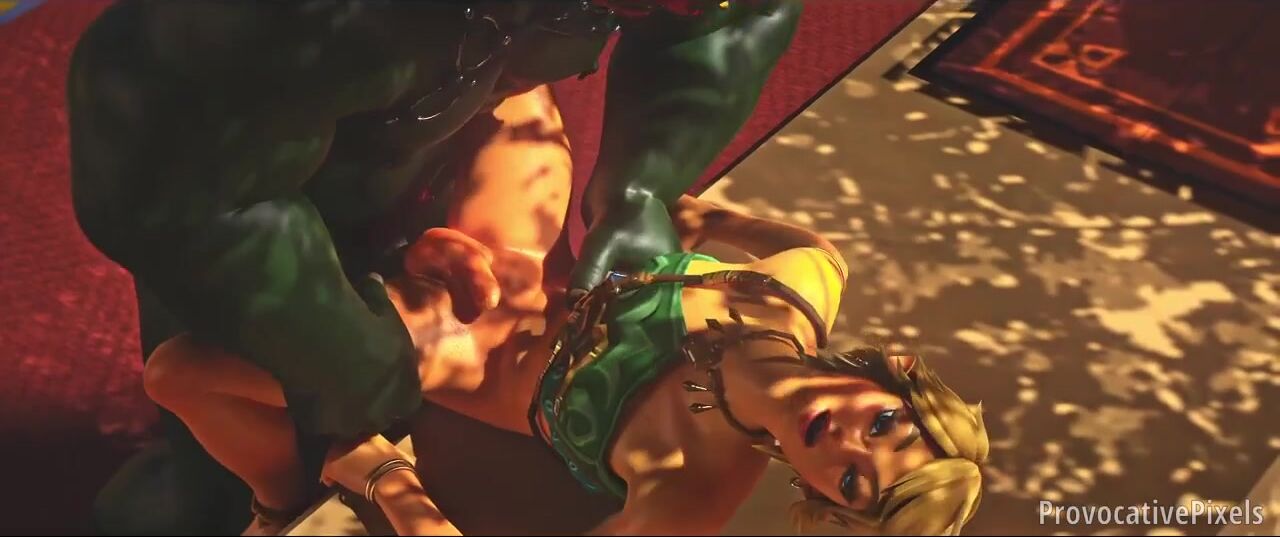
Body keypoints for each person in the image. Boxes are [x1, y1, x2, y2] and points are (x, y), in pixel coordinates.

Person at [68, 0, 804, 532]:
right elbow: (174, 189)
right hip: (236, 194)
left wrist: (643, 178)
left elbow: (735, 17)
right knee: (219, 436)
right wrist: (350, 364)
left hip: (445, 177)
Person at [142, 82, 990, 536]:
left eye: (854, 481)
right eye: (885, 424)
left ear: (824, 498)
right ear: (895, 378)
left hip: (449, 351)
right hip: (518, 261)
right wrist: (688, 211)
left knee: (177, 373)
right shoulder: (795, 287)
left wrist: (384, 479)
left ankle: (274, 492)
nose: (847, 443)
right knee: (509, 76)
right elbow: (810, 245)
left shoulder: (693, 494)